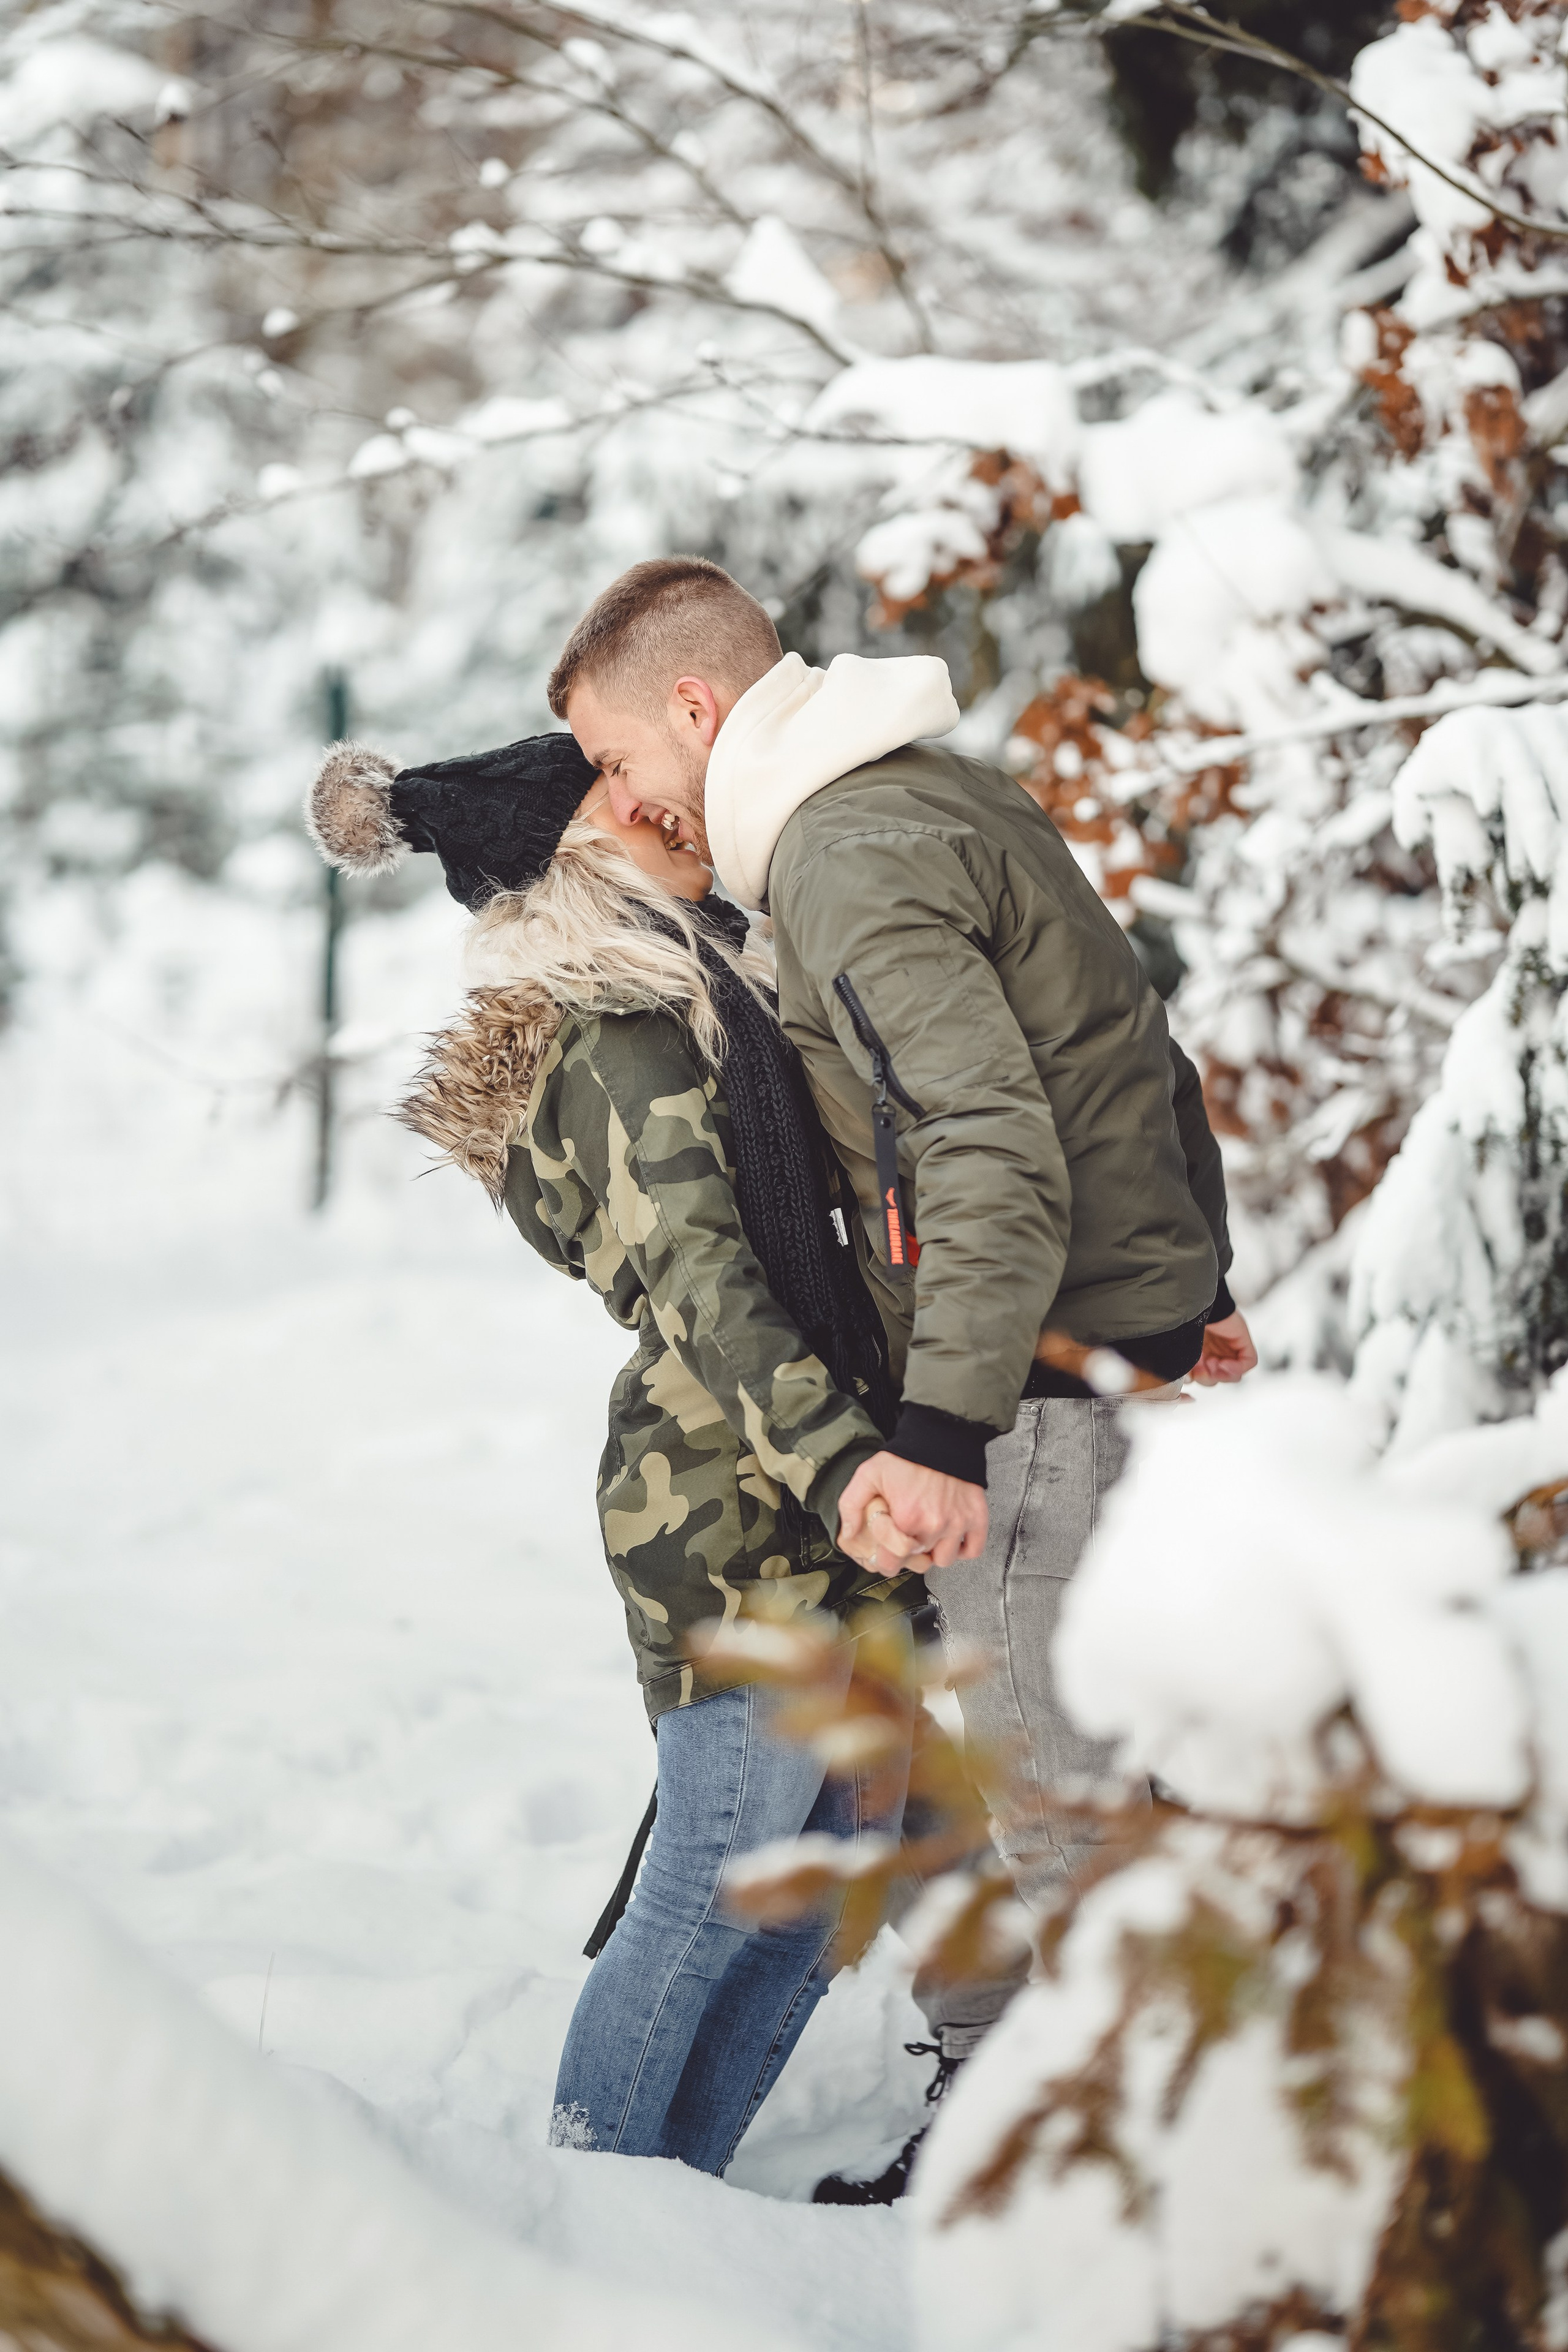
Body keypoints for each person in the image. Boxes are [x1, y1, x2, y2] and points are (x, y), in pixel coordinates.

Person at [547, 556, 1259, 2193]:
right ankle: (1020, 2137)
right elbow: (1142, 1045)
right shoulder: (923, 788)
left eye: (617, 761)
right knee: (1009, 1784)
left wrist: (944, 1433)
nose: (619, 803)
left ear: (702, 711)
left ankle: (1149, 2199)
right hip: (1086, 1348)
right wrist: (1185, 1285)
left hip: (1022, 1396)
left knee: (1058, 1807)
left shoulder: (845, 857)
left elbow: (990, 1143)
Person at [304, 727, 923, 2177]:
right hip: (723, 1500)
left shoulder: (713, 992)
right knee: (717, 1885)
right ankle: (591, 2213)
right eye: (622, 802)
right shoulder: (621, 1032)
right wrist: (845, 1472)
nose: (666, 810)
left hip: (826, 1480)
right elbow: (709, 1289)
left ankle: (677, 2210)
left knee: (828, 1880)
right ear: (572, 851)